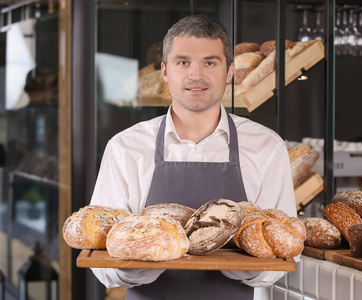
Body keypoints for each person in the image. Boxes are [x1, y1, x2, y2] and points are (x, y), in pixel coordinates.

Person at [90, 15, 297, 300]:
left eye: (210, 63)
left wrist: (221, 253)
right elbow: (104, 262)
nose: (195, 75)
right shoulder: (125, 148)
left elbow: (278, 258)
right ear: (165, 71)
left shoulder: (266, 147)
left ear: (230, 72)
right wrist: (151, 255)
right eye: (183, 62)